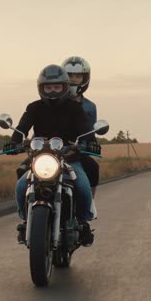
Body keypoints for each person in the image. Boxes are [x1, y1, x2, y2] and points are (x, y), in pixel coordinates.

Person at [2, 64, 99, 245]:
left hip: (68, 155)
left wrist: (90, 142)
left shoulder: (74, 107)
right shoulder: (34, 107)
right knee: (22, 185)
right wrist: (14, 142)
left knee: (83, 186)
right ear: (41, 88)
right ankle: (25, 220)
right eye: (48, 87)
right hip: (40, 155)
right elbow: (22, 128)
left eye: (56, 87)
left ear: (64, 87)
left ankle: (83, 222)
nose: (52, 91)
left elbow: (86, 129)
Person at [62, 56, 100, 203]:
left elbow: (90, 131)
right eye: (69, 75)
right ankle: (29, 212)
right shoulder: (53, 101)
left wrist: (92, 144)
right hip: (51, 150)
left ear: (85, 78)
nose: (73, 79)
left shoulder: (90, 106)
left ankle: (89, 205)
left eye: (78, 76)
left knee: (92, 167)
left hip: (77, 150)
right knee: (23, 169)